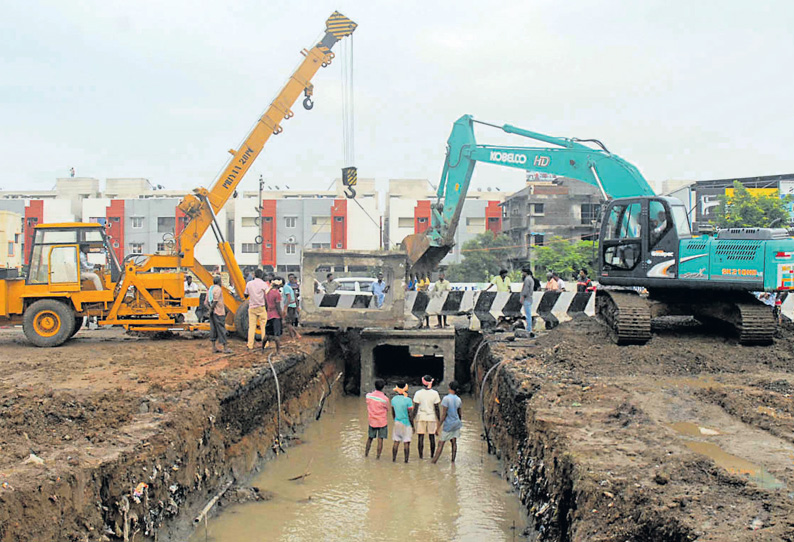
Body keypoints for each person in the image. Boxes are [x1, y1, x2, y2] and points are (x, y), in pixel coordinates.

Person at [432, 380, 462, 464]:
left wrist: (438, 427)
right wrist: (459, 423)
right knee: (454, 442)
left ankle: (434, 461)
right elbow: (460, 414)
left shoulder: (446, 399)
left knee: (441, 443)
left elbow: (444, 415)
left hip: (448, 424)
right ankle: (453, 461)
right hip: (456, 423)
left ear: (450, 388)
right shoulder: (459, 399)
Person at [412, 375, 441, 459]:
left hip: (421, 417)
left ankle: (421, 456)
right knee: (432, 437)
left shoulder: (418, 393)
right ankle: (432, 455)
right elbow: (437, 408)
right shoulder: (435, 393)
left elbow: (416, 408)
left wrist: (412, 419)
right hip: (431, 417)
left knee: (420, 437)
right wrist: (439, 420)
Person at [205, 275, 231, 354]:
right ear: (219, 282)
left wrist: (209, 310)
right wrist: (212, 309)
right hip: (219, 312)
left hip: (212, 313)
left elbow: (205, 302)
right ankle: (225, 348)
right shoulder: (218, 289)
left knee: (213, 329)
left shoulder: (210, 289)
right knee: (221, 330)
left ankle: (214, 347)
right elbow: (216, 301)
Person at [244, 269, 268, 350]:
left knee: (251, 327)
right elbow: (267, 295)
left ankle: (250, 344)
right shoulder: (264, 284)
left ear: (254, 275)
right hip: (261, 307)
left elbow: (245, 295)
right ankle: (265, 344)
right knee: (263, 327)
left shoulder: (249, 283)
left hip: (252, 307)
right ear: (261, 275)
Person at [365, 379, 389, 459]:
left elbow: (368, 401)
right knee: (380, 440)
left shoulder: (368, 396)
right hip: (382, 422)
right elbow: (387, 408)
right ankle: (378, 457)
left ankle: (366, 454)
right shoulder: (385, 399)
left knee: (370, 438)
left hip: (372, 420)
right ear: (383, 387)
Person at [391, 382, 414, 463]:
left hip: (397, 422)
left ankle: (394, 459)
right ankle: (406, 461)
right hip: (406, 423)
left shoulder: (393, 399)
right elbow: (410, 414)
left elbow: (393, 412)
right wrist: (413, 426)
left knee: (396, 441)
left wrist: (395, 420)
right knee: (406, 442)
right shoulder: (408, 400)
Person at [263, 276, 283, 352]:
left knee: (267, 335)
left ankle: (262, 348)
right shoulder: (277, 294)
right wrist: (281, 316)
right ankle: (278, 351)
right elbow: (278, 306)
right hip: (275, 316)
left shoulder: (267, 292)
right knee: (277, 335)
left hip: (269, 315)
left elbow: (265, 304)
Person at [520, 268, 535, 332]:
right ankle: (529, 328)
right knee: (528, 314)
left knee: (528, 314)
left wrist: (522, 297)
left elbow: (525, 290)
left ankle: (529, 329)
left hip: (527, 298)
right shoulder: (531, 279)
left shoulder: (527, 279)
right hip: (530, 297)